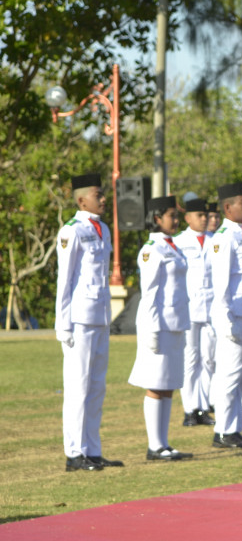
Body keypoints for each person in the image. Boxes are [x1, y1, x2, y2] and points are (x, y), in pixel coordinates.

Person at [55, 173, 122, 471]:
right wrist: (63, 324)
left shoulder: (103, 228)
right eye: (98, 194)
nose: (104, 198)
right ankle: (74, 453)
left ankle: (92, 449)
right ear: (82, 200)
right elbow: (65, 281)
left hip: (100, 316)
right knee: (78, 386)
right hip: (79, 320)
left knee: (96, 386)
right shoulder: (71, 231)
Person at [128, 195, 193, 461]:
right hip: (159, 324)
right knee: (155, 384)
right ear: (157, 219)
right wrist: (151, 329)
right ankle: (155, 445)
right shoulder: (152, 249)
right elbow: (150, 293)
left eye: (177, 216)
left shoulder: (172, 246)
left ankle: (164, 442)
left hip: (175, 322)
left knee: (168, 384)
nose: (176, 220)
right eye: (171, 216)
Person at [208, 182, 242, 449]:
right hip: (233, 316)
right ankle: (223, 430)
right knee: (229, 374)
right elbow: (220, 284)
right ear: (228, 207)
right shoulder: (224, 238)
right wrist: (225, 318)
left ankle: (234, 427)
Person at [175, 198, 216, 427]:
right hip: (189, 308)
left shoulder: (215, 240)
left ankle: (203, 406)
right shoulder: (180, 241)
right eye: (199, 216)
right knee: (191, 360)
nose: (204, 219)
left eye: (206, 216)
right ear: (188, 218)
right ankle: (189, 408)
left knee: (208, 360)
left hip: (211, 308)